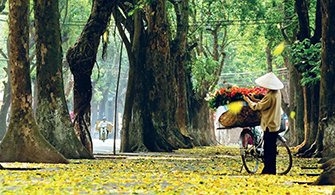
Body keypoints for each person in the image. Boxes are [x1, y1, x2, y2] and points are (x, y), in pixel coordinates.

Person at [243, 72, 284, 174]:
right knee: (272, 148)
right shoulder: (277, 93)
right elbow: (264, 103)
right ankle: (272, 169)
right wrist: (254, 99)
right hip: (275, 123)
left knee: (268, 148)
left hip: (269, 125)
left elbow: (257, 107)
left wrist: (248, 100)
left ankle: (268, 170)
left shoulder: (270, 95)